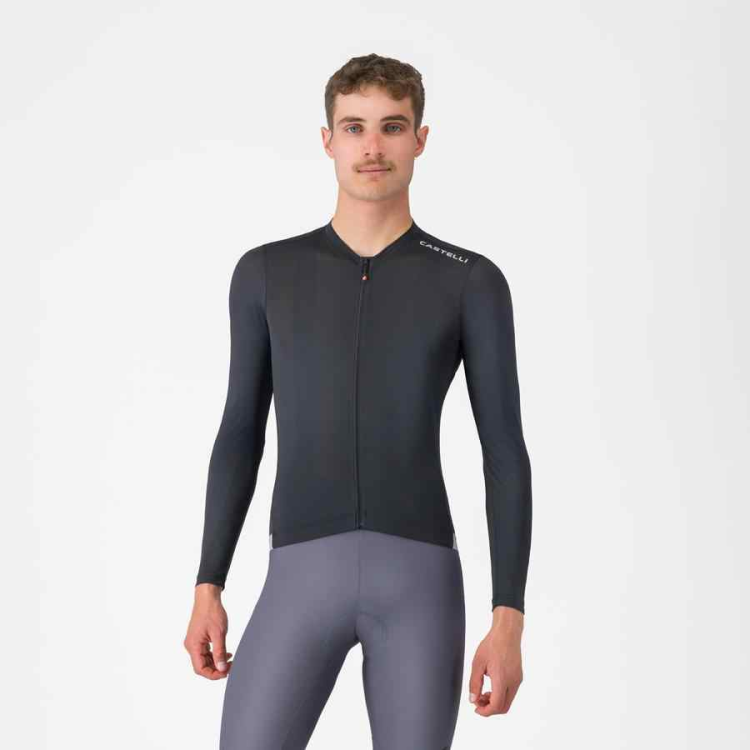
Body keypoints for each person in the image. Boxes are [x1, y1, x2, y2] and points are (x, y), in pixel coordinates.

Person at [184, 53, 533, 749]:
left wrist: (508, 618)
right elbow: (240, 431)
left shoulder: (470, 281)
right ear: (328, 140)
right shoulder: (267, 273)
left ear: (420, 139)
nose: (373, 146)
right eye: (355, 127)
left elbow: (504, 453)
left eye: (392, 127)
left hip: (420, 581)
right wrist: (207, 584)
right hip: (298, 574)